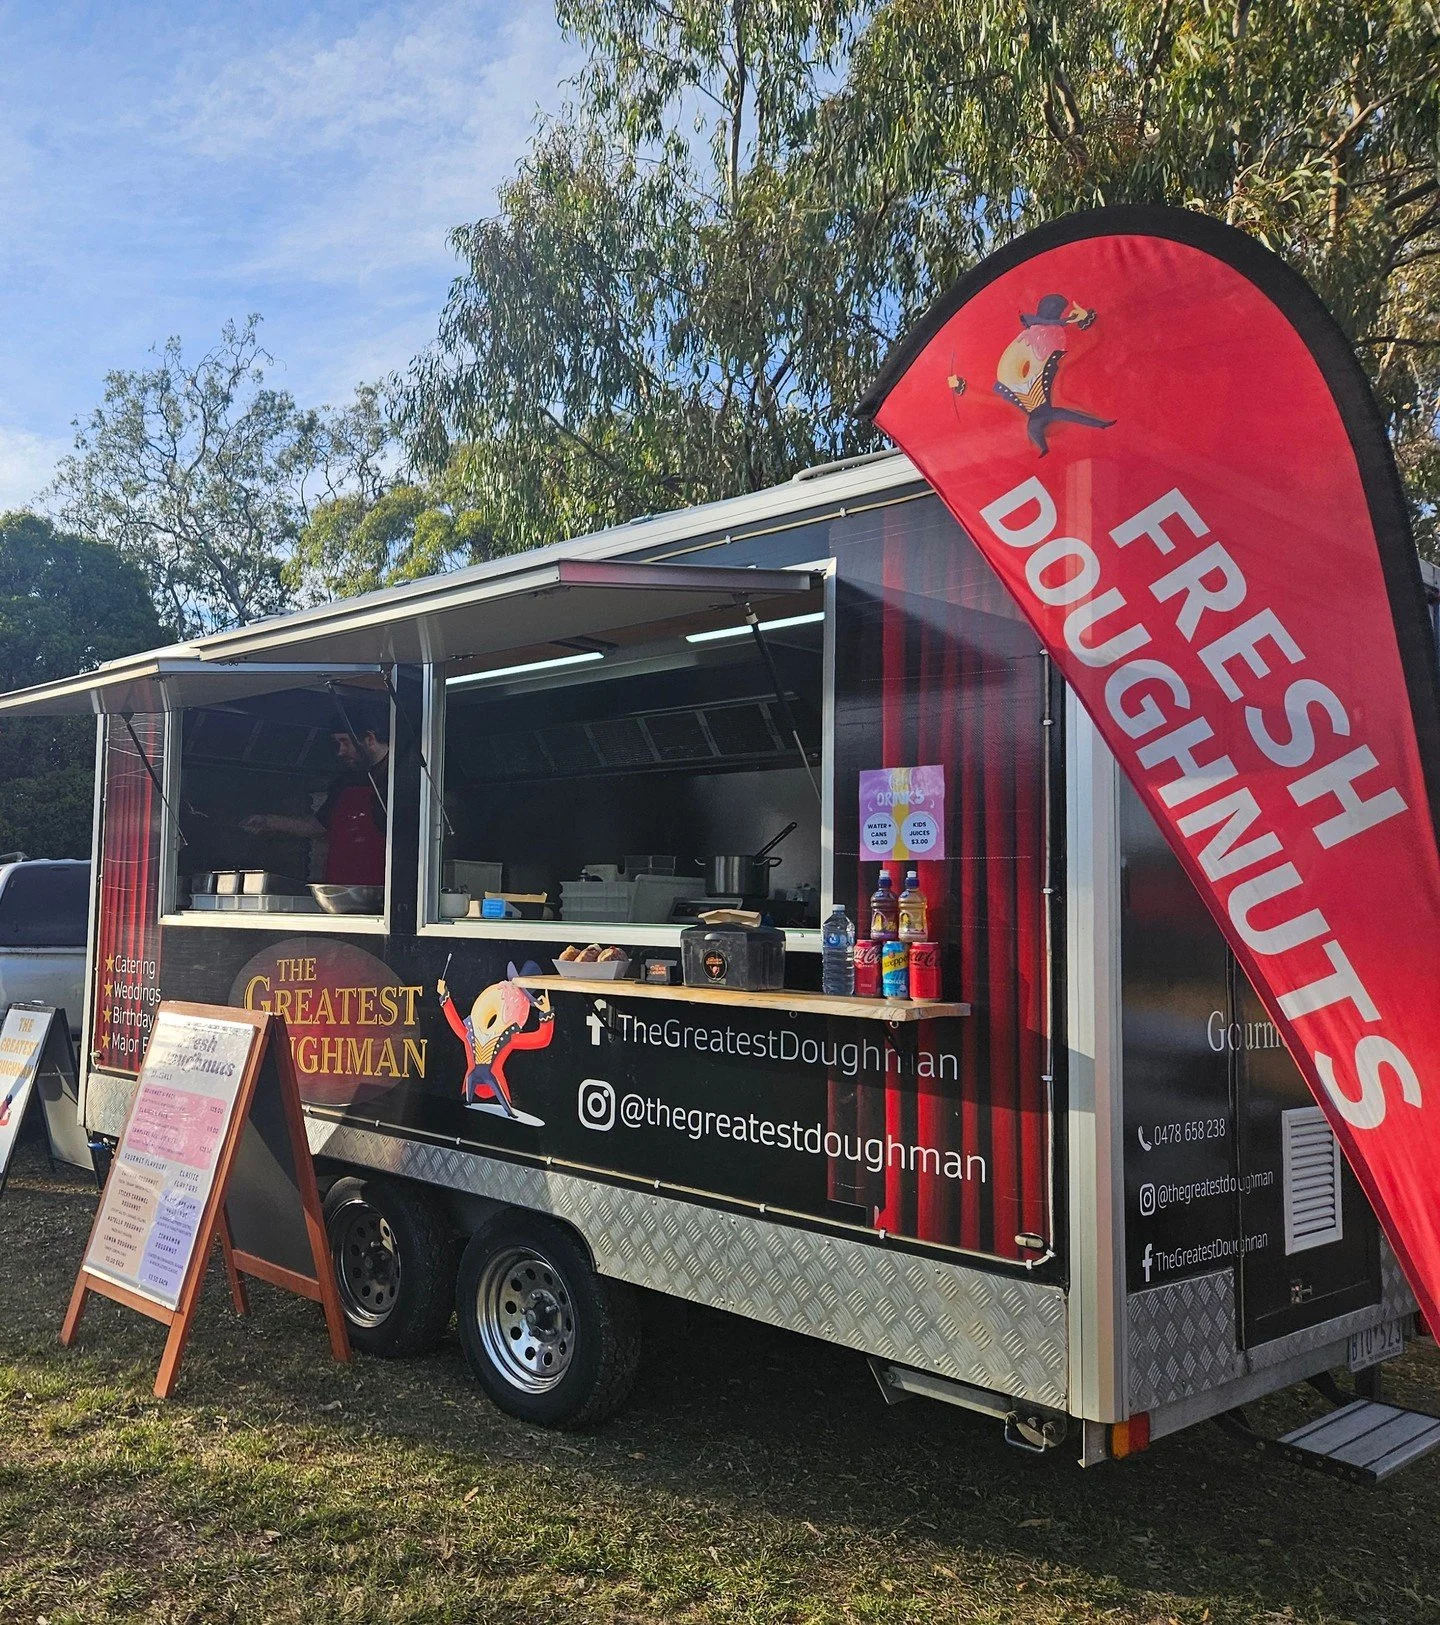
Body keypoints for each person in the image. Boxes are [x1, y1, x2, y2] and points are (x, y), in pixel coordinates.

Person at [240, 715, 390, 886]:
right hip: (339, 886)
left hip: (386, 888)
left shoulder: (403, 775)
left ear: (370, 739)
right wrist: (269, 821)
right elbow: (318, 826)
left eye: (345, 742)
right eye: (337, 743)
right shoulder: (346, 781)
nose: (340, 751)